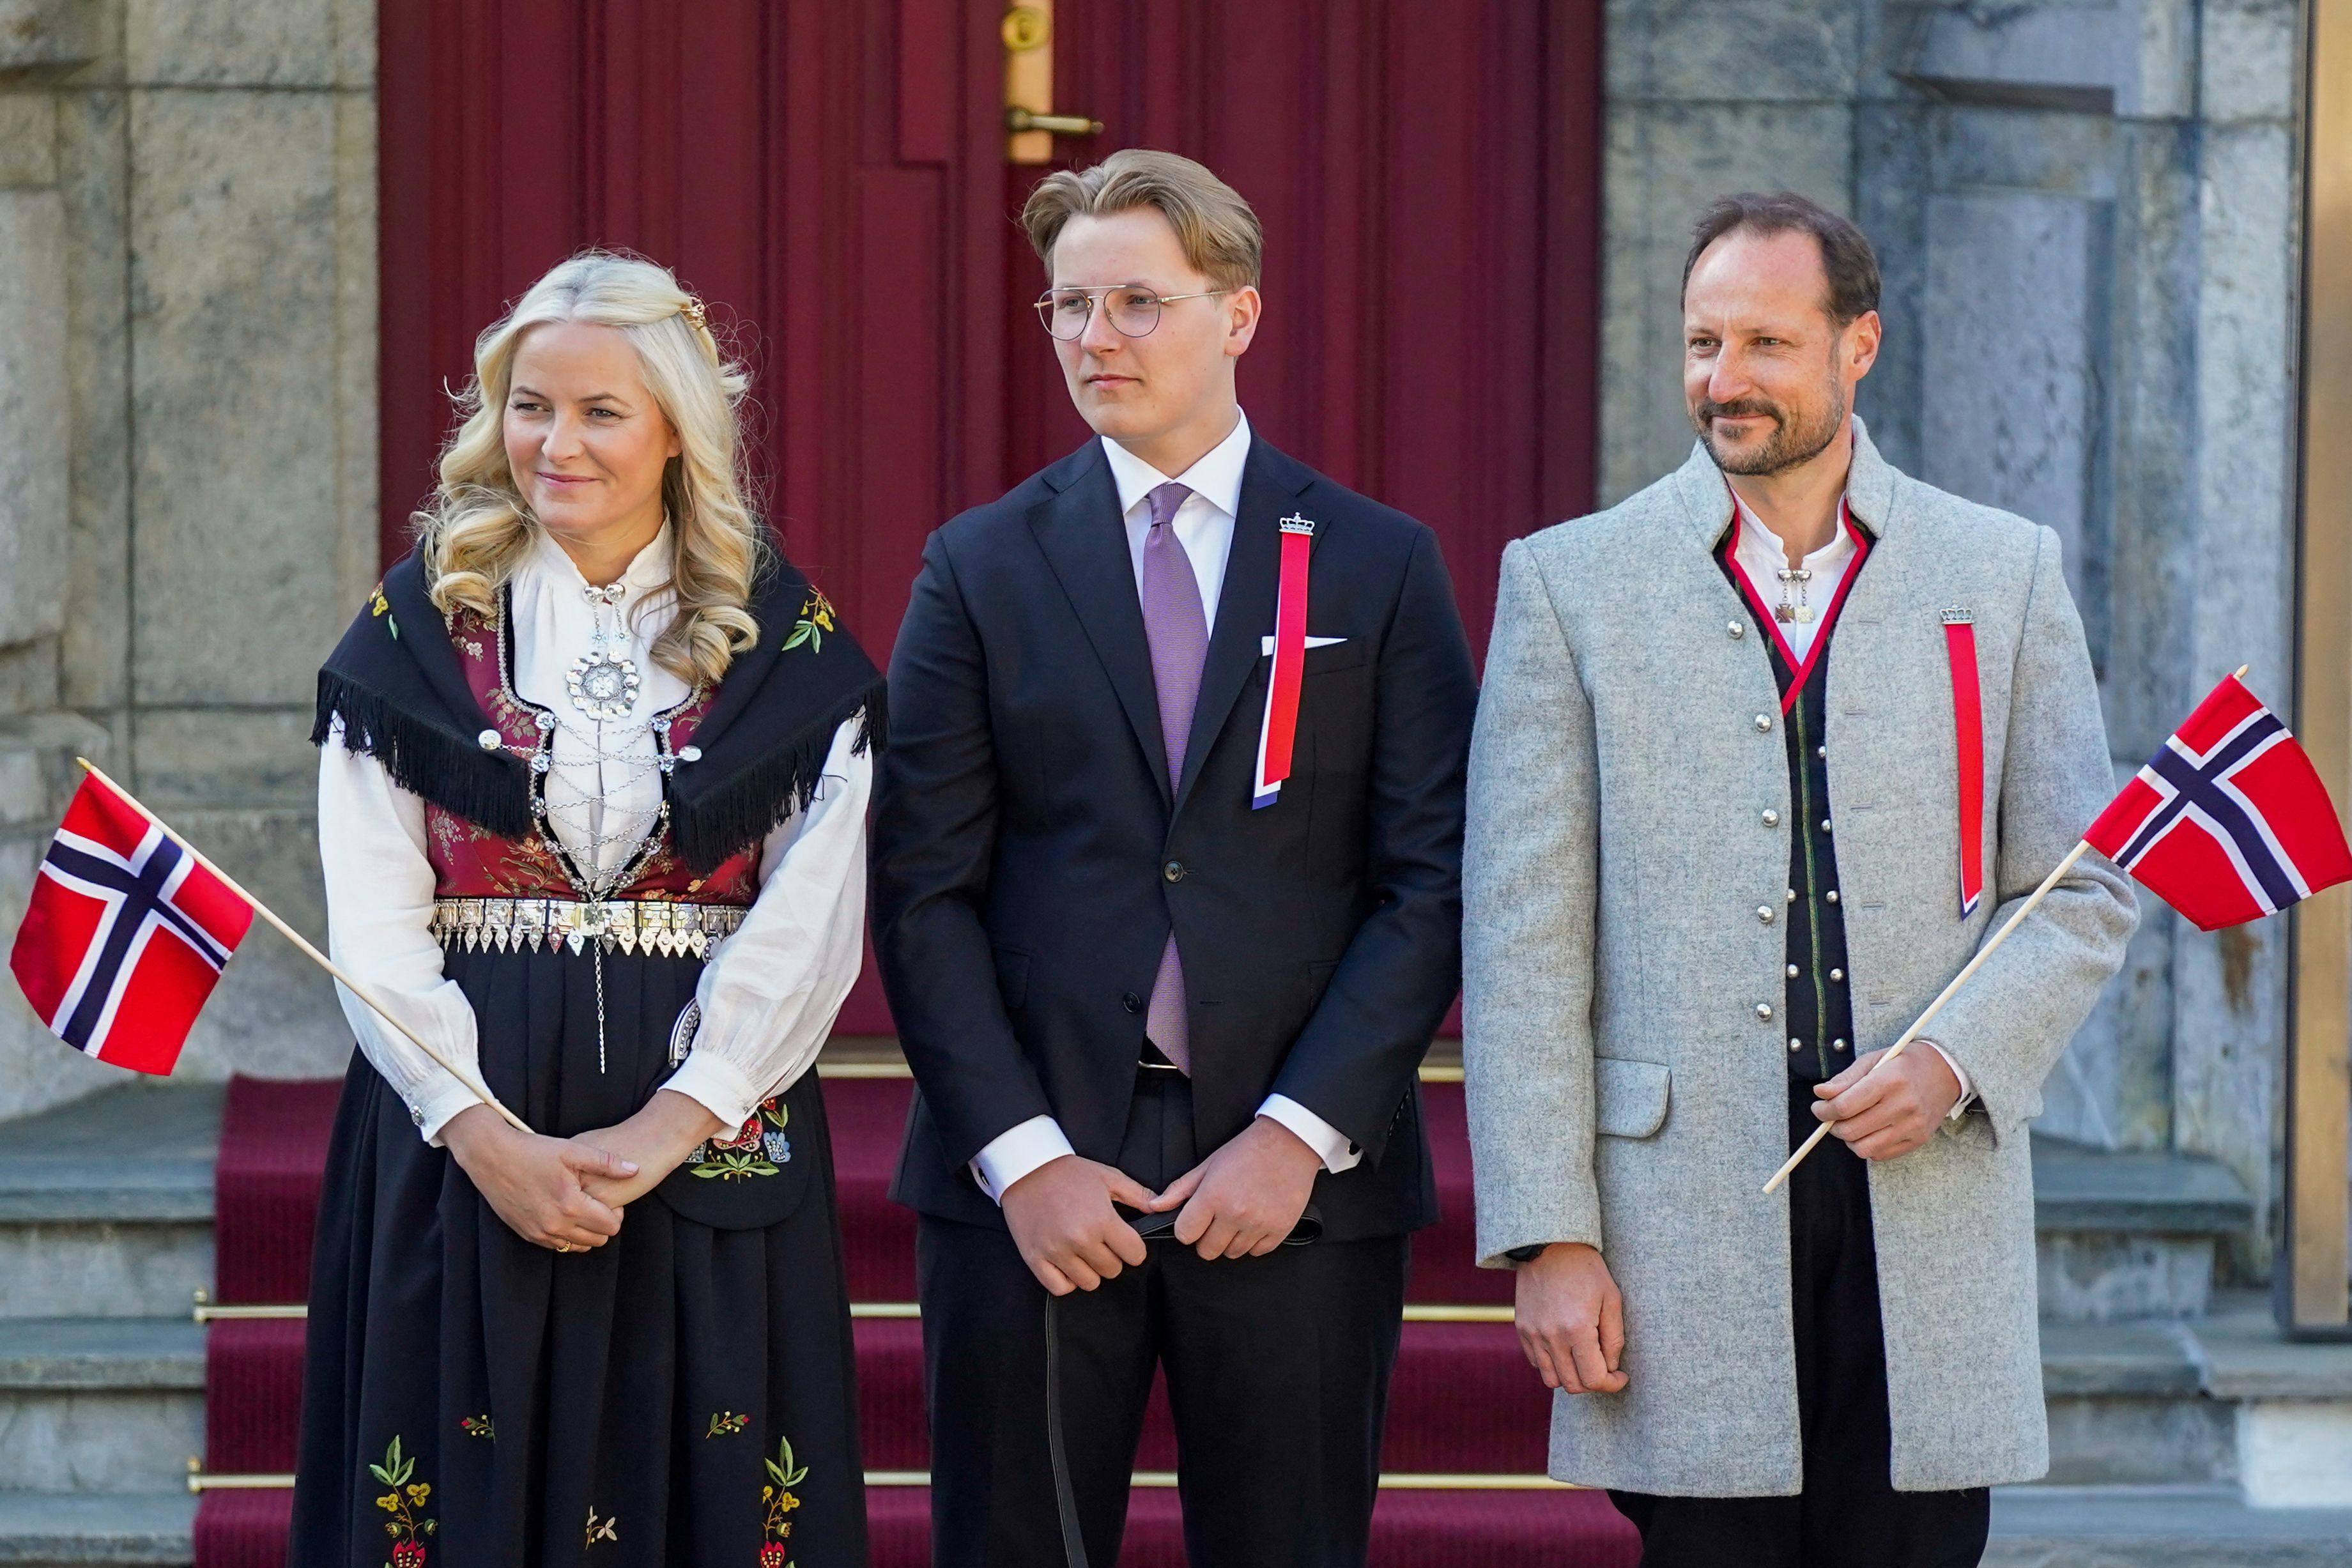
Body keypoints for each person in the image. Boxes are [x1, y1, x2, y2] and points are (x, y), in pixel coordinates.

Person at [1462, 192, 2139, 1568]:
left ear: (1856, 347)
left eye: (1765, 343)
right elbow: (1523, 936)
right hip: (1681, 1211)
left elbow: (2078, 885)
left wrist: (1952, 1057)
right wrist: (1546, 1233)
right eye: (1701, 343)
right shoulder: (1568, 586)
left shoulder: (1998, 573)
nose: (1724, 381)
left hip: (1925, 1190)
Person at [870, 149, 1476, 1568]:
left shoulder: (1376, 565)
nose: (1094, 339)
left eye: (1136, 302)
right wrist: (1022, 1158)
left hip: (1291, 1179)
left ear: (1237, 316)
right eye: (1067, 307)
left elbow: (1430, 878)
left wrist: (1297, 1135)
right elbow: (921, 889)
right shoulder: (979, 566)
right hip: (1035, 1177)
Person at [289, 250, 882, 1567]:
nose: (556, 442)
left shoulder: (782, 644)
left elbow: (812, 916)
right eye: (529, 405)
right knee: (455, 1483)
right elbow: (375, 921)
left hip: (708, 1116)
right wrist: (483, 1134)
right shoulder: (413, 634)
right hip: (461, 1111)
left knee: (708, 1483)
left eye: (601, 410)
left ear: (676, 427)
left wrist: (679, 1116)